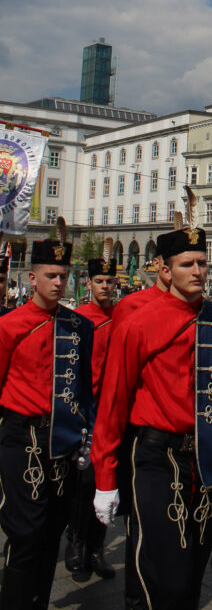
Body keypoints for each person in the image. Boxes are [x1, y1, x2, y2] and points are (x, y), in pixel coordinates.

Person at [91, 224, 212, 610]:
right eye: (187, 264)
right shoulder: (138, 323)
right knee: (166, 577)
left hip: (208, 461)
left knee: (193, 575)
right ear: (166, 270)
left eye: (202, 263)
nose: (197, 271)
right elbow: (113, 404)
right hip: (156, 458)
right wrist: (105, 479)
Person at [0, 231, 94, 609]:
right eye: (51, 275)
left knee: (53, 529)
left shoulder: (79, 327)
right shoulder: (9, 325)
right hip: (22, 437)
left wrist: (87, 436)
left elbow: (83, 387)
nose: (58, 282)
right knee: (26, 532)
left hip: (62, 441)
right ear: (32, 278)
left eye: (63, 275)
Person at [65, 249, 118, 583]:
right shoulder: (79, 318)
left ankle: (97, 548)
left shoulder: (120, 316)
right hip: (86, 408)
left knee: (106, 480)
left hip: (112, 411)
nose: (105, 287)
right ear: (88, 283)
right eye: (99, 281)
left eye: (110, 281)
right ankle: (76, 542)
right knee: (82, 483)